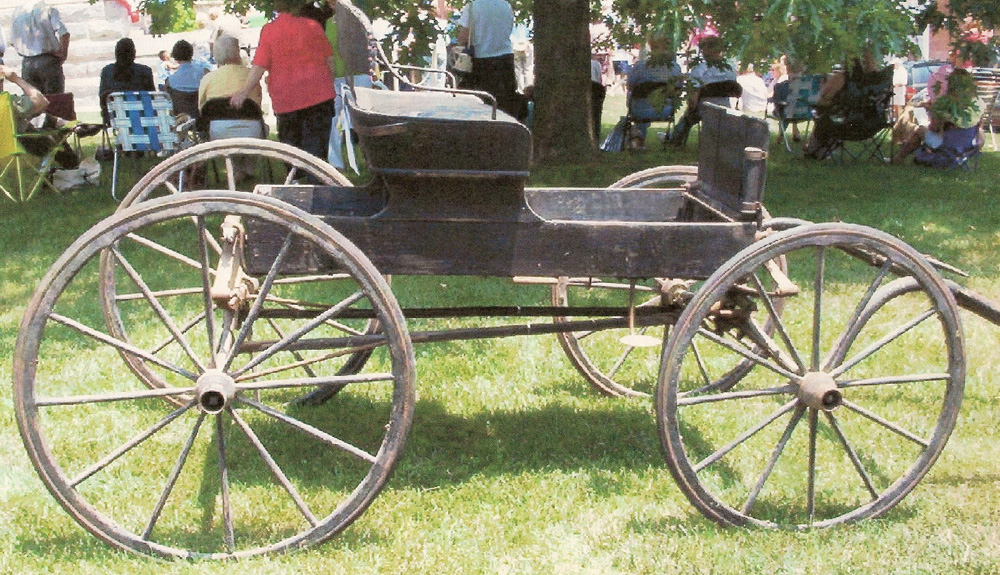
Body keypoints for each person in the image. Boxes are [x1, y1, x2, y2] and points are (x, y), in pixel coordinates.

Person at [230, 0, 337, 161]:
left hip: (287, 100)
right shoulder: (313, 26)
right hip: (319, 96)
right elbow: (329, 60)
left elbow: (259, 65)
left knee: (292, 151)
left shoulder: (269, 31)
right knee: (317, 152)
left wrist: (244, 92)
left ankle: (295, 175)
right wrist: (329, 82)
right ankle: (316, 175)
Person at [891, 68, 985, 164]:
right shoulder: (978, 103)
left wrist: (932, 112)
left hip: (948, 144)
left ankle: (899, 158)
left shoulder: (947, 103)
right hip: (969, 144)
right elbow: (980, 124)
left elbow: (934, 128)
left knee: (920, 130)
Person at [457, 0, 524, 120]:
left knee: (479, 103)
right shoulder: (506, 6)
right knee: (504, 104)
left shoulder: (472, 7)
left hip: (481, 61)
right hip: (505, 60)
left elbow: (463, 37)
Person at [2, 65, 78, 169]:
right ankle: (71, 166)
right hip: (15, 152)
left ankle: (67, 124)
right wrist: (16, 79)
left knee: (40, 119)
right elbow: (42, 102)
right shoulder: (6, 102)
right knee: (51, 134)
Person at [670, 35, 737, 146]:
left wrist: (691, 108)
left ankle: (675, 138)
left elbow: (694, 93)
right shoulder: (730, 68)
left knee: (687, 117)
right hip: (725, 107)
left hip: (704, 108)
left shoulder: (700, 69)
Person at [197, 34, 264, 139]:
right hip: (251, 128)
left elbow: (202, 107)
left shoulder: (208, 79)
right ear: (238, 52)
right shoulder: (251, 76)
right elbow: (258, 102)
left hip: (218, 130)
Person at [625, 36, 682, 150]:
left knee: (635, 97)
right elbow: (679, 89)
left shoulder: (640, 67)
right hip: (665, 110)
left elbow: (630, 86)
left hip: (640, 110)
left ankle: (638, 136)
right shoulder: (675, 68)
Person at [10, 2, 71, 94]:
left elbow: (12, 41)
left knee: (33, 99)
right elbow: (64, 34)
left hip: (27, 63)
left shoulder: (17, 12)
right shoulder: (48, 9)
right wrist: (63, 54)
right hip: (48, 60)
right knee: (54, 98)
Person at [98, 38, 155, 125]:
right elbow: (152, 98)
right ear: (134, 53)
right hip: (143, 120)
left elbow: (103, 99)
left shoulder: (107, 71)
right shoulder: (145, 71)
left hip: (117, 120)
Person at [591, 53, 607, 141]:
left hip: (593, 87)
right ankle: (596, 133)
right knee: (596, 113)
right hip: (595, 88)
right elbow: (599, 79)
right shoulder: (596, 64)